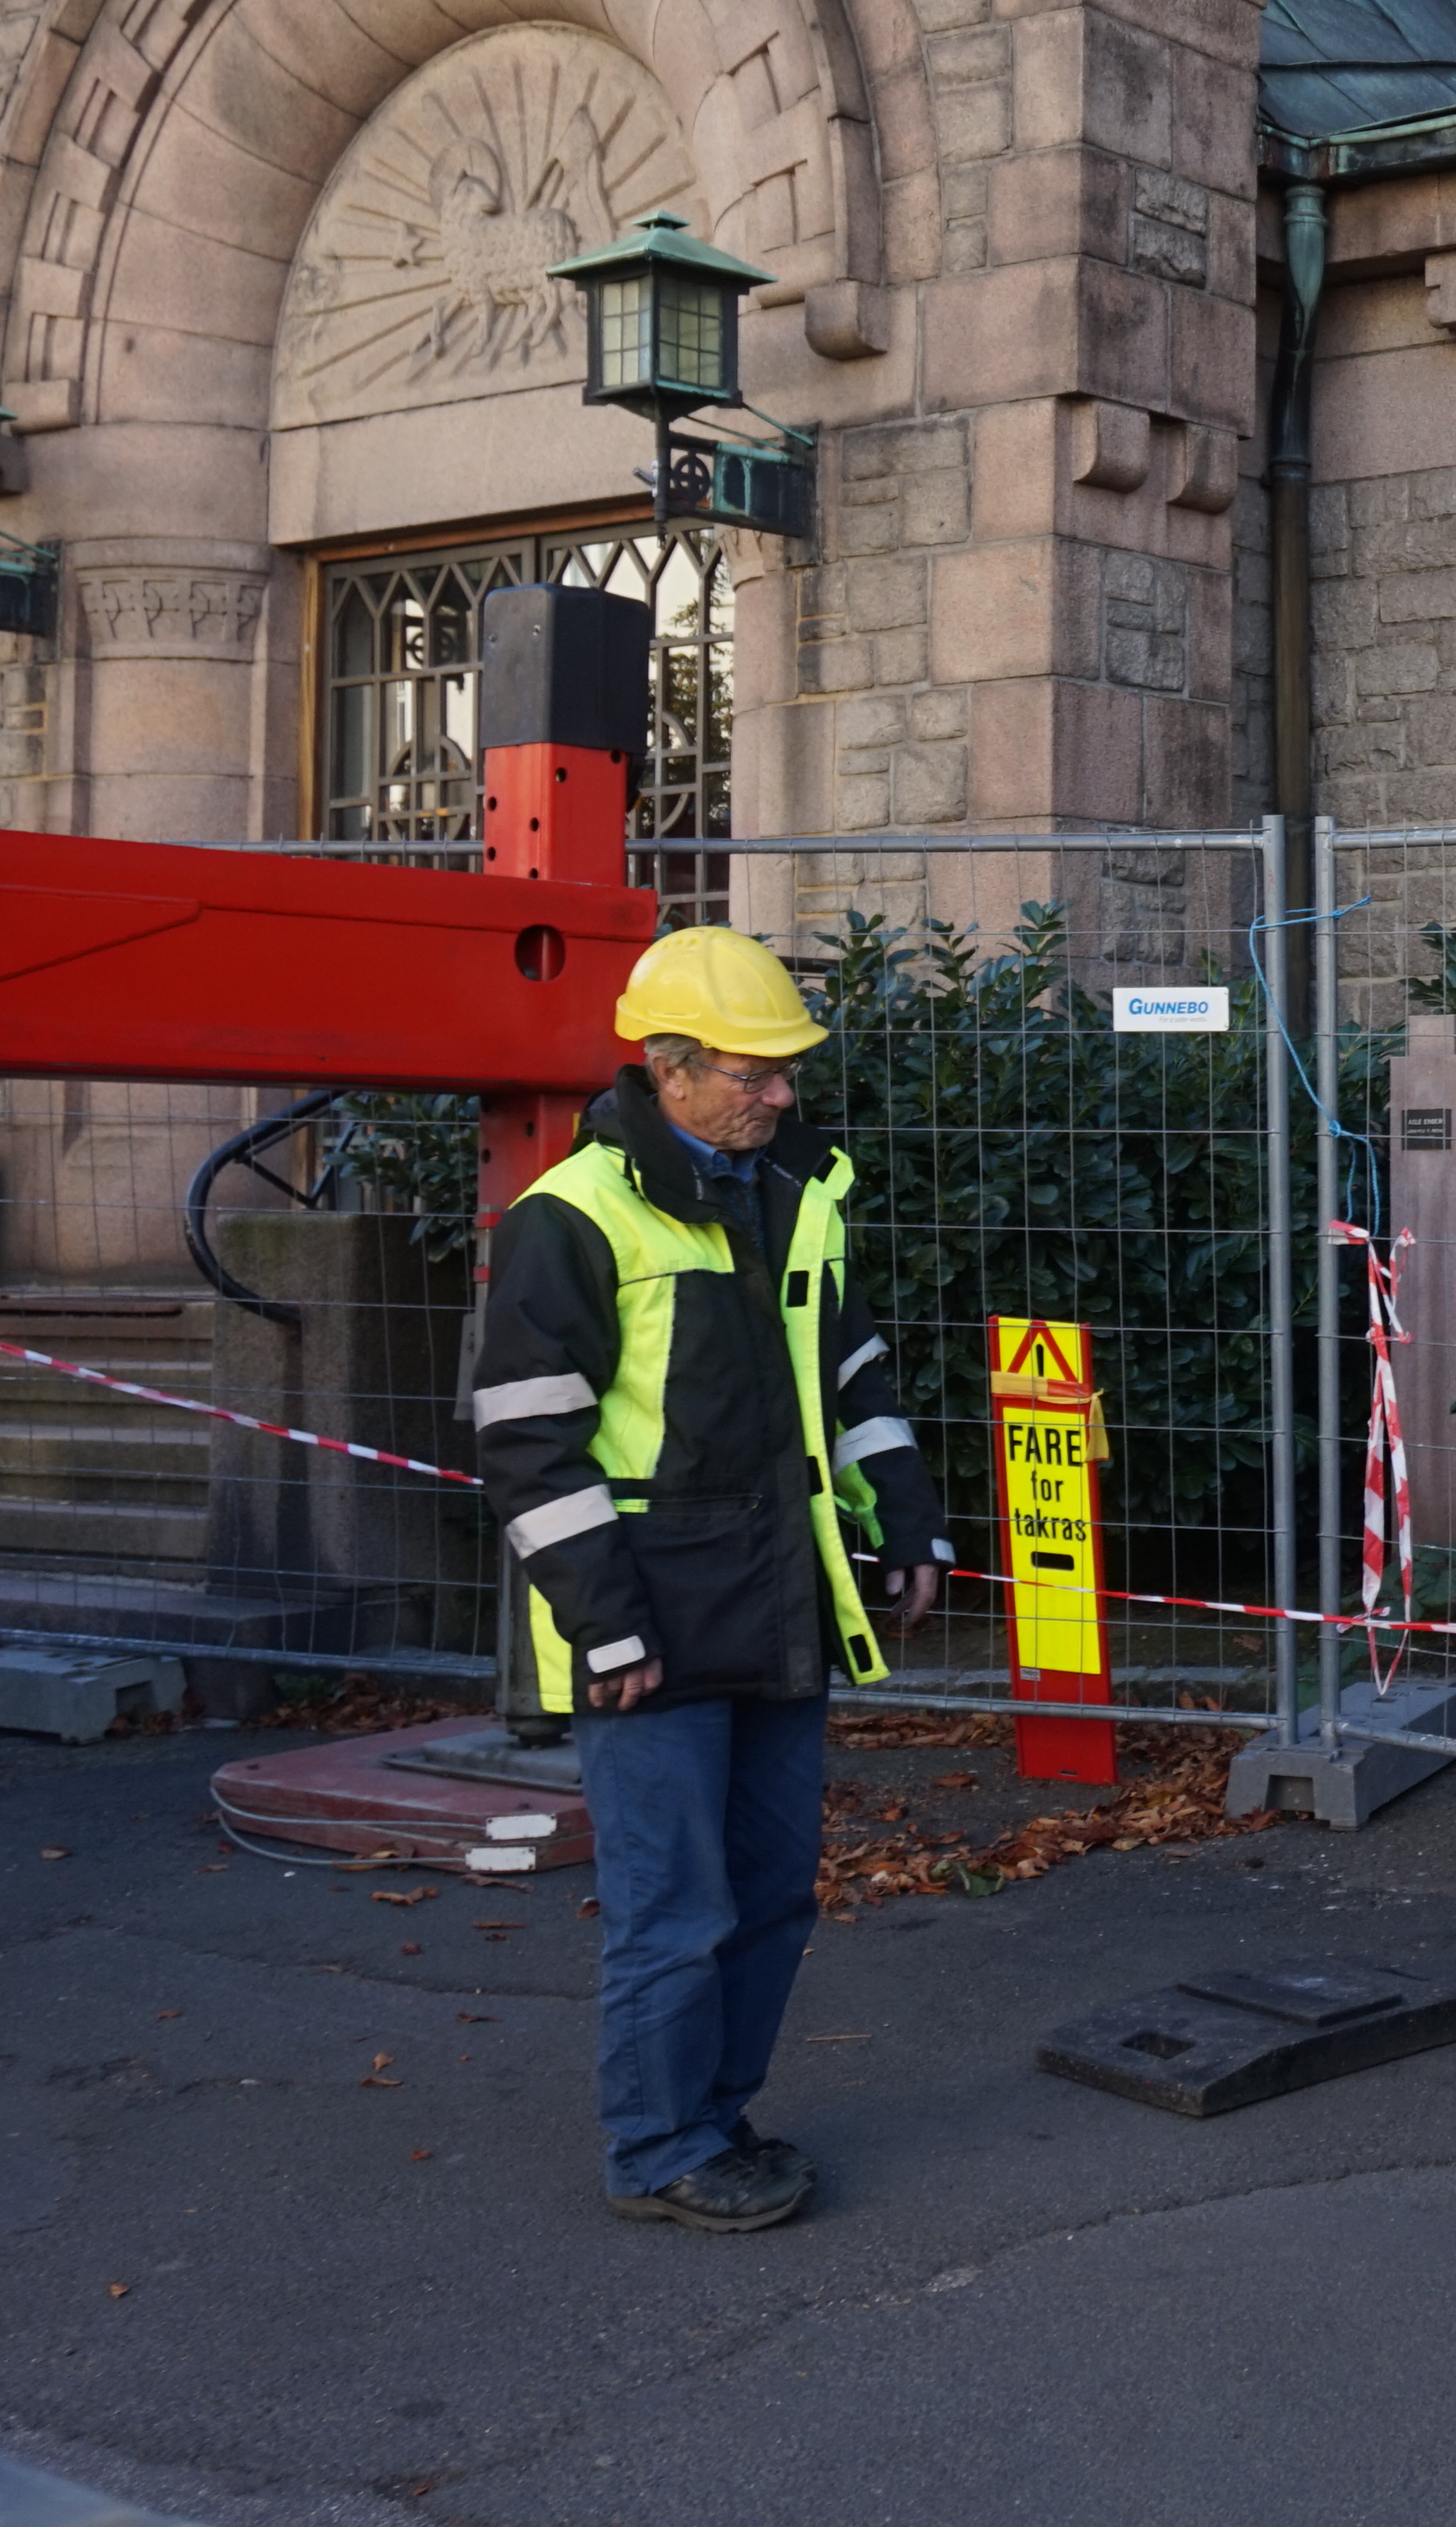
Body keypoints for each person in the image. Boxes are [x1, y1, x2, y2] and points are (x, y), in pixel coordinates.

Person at [470, 927, 952, 2229]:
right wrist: (610, 1630)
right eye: (757, 1071)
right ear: (669, 1070)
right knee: (675, 1909)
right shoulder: (571, 1220)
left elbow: (851, 1375)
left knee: (768, 1893)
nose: (782, 1093)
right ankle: (660, 2147)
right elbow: (526, 1442)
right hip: (655, 1624)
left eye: (787, 1071)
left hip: (769, 1599)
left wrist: (905, 1522)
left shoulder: (788, 1197)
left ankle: (712, 2120)